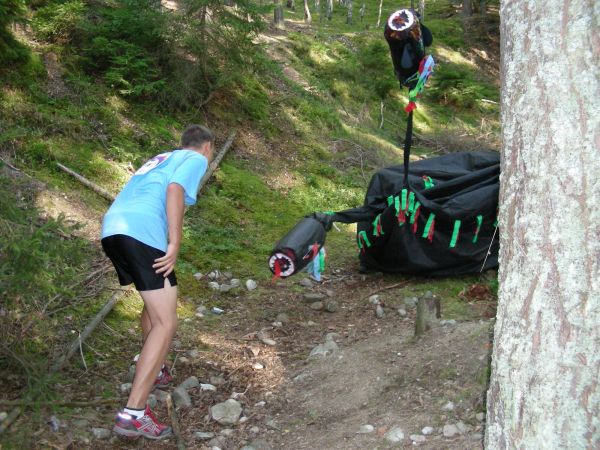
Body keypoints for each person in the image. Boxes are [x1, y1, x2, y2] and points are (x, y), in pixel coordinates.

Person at [100, 124, 214, 440]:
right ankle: (133, 413)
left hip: (114, 228)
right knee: (166, 322)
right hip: (141, 232)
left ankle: (158, 367)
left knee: (156, 307)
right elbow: (174, 191)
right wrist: (174, 243)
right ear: (207, 147)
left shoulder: (162, 157)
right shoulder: (195, 159)